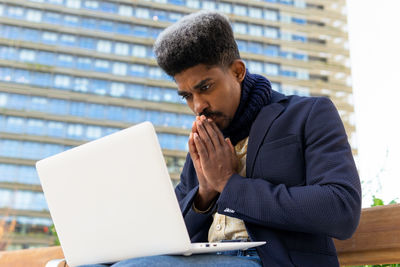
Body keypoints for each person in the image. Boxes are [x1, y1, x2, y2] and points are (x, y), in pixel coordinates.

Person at [82, 10, 361, 267]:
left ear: (238, 72)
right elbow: (173, 233)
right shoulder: (204, 141)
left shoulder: (307, 114)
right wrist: (204, 195)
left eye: (205, 87)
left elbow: (340, 208)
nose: (197, 106)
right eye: (187, 95)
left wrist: (228, 184)